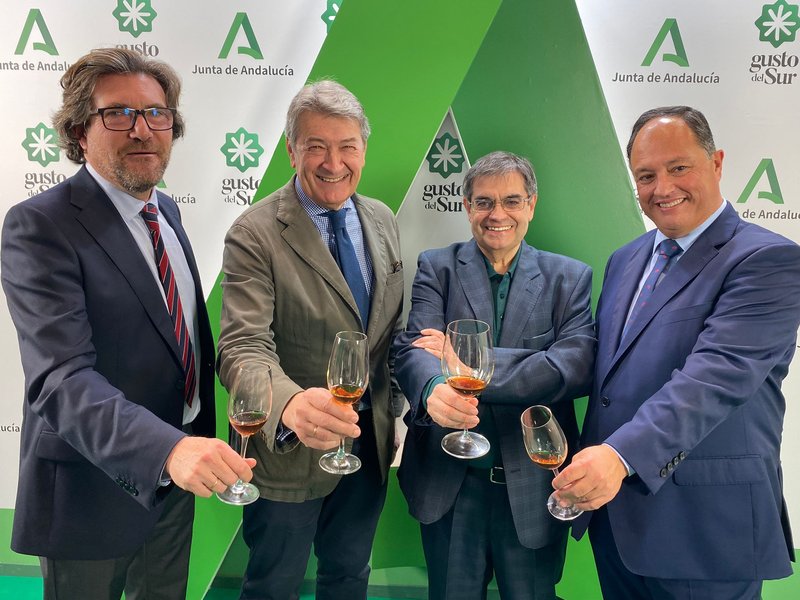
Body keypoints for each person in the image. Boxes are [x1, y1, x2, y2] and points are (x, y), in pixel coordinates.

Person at [0, 48, 254, 600]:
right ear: (78, 130)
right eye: (118, 114)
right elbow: (61, 379)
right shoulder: (40, 225)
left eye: (156, 114)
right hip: (90, 492)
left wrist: (186, 446)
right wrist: (165, 449)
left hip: (172, 484)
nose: (142, 130)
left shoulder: (167, 214)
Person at [553, 106, 800, 599]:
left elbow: (712, 379)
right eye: (646, 175)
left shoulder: (767, 260)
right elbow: (601, 367)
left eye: (678, 167)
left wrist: (620, 457)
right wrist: (479, 366)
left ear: (717, 162)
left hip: (704, 532)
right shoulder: (626, 259)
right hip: (617, 522)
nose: (662, 188)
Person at [216, 79, 404, 600]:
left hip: (366, 444)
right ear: (291, 149)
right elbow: (242, 346)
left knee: (348, 579)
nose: (332, 162)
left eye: (347, 146)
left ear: (364, 149)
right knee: (274, 585)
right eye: (316, 146)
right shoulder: (254, 232)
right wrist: (291, 404)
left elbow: (389, 333)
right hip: (288, 450)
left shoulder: (382, 220)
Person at [394, 151, 595, 599]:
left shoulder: (570, 278)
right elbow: (413, 349)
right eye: (484, 202)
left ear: (531, 205)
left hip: (533, 486)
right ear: (467, 207)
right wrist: (431, 387)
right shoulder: (437, 267)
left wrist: (467, 367)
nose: (497, 214)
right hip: (450, 484)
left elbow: (573, 365)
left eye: (511, 201)